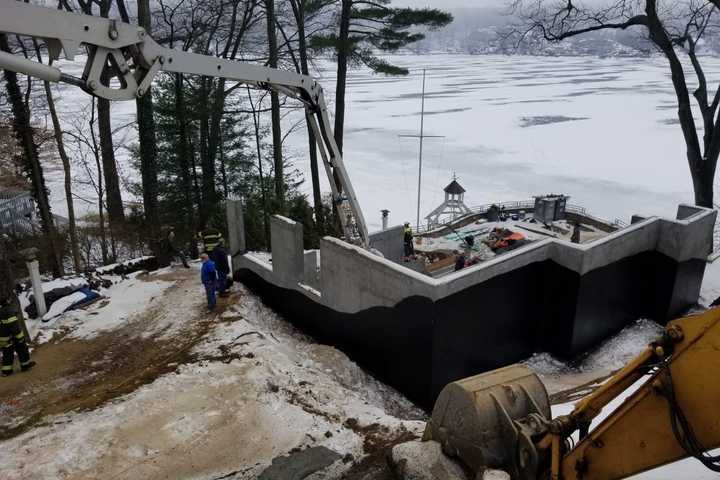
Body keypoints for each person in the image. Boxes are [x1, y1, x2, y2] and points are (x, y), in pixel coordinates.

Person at [0, 296, 35, 377]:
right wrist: (19, 336)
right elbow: (14, 326)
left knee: (7, 353)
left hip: (3, 337)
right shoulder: (9, 310)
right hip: (12, 336)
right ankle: (25, 366)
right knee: (22, 349)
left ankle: (6, 371)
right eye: (9, 299)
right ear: (7, 300)